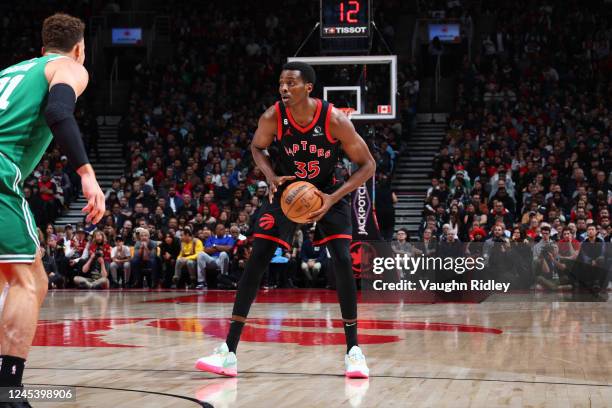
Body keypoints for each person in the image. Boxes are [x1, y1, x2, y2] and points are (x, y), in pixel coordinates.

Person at [196, 62, 375, 378]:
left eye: (291, 83)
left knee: (343, 261)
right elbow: (256, 146)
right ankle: (229, 352)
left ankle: (354, 351)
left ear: (308, 87)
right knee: (257, 258)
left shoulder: (334, 120)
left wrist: (333, 198)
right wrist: (270, 176)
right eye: (281, 83)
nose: (283, 88)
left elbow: (368, 165)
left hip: (328, 192)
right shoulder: (273, 116)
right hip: (289, 193)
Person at [0, 13, 105, 398]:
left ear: (41, 48)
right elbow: (59, 112)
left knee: (17, 277)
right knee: (27, 282)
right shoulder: (69, 66)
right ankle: (8, 393)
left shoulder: (11, 71)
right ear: (79, 49)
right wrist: (87, 175)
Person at [197, 224, 235, 289]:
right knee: (200, 254)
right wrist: (222, 247)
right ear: (215, 230)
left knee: (223, 254)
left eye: (222, 229)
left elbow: (229, 248)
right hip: (212, 259)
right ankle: (201, 282)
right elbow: (206, 250)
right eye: (218, 229)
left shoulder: (229, 238)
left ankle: (223, 280)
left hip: (222, 260)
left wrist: (215, 246)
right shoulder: (211, 238)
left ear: (224, 230)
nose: (219, 231)